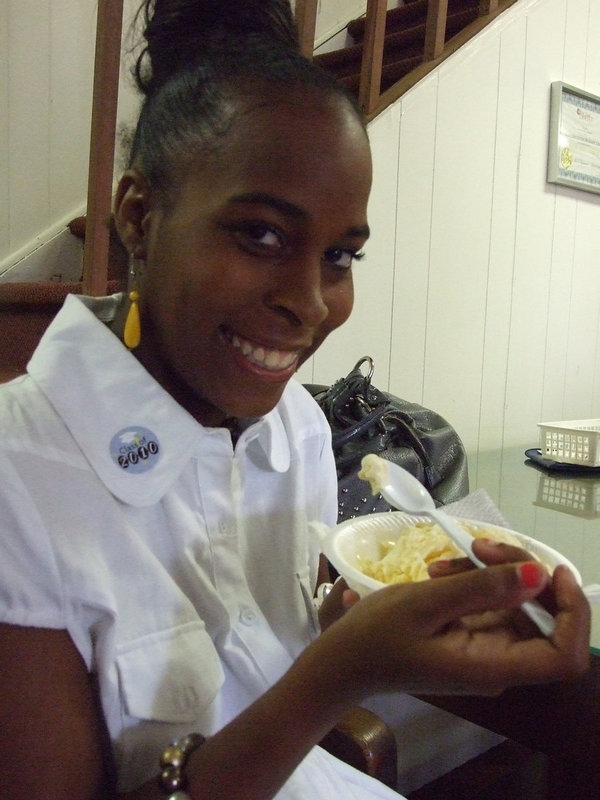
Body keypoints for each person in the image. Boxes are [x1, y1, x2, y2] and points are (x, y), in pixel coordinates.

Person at [0, 1, 590, 798]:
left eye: (341, 254)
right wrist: (335, 679)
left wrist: (362, 629)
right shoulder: (22, 481)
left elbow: (260, 647)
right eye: (261, 236)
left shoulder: (295, 430)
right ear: (137, 216)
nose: (311, 304)